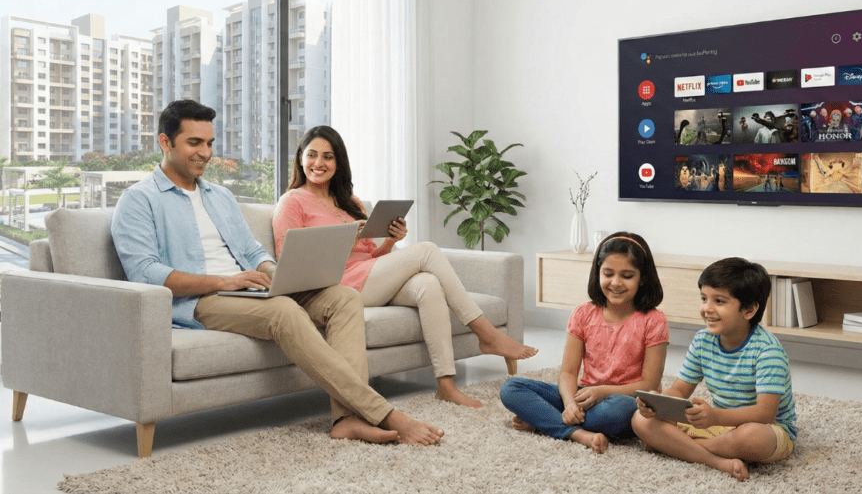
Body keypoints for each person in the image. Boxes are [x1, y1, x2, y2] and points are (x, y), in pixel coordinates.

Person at [111, 100, 443, 446]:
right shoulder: (139, 199)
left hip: (251, 289)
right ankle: (384, 413)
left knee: (343, 297)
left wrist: (275, 273)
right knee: (284, 311)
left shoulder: (220, 196)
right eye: (194, 143)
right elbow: (144, 272)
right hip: (201, 300)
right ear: (165, 142)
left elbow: (253, 251)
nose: (205, 153)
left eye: (209, 143)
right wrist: (227, 281)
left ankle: (346, 419)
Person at [273, 125, 537, 408]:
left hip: (369, 277)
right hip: (339, 288)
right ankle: (487, 334)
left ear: (338, 162)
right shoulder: (292, 201)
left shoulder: (350, 202)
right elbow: (290, 261)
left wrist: (389, 241)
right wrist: (343, 244)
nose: (319, 163)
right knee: (427, 251)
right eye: (312, 155)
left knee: (428, 284)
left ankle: (446, 384)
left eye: (328, 157)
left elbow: (371, 256)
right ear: (300, 158)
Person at [500, 232, 669, 454]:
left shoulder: (654, 320)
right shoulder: (583, 313)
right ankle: (577, 432)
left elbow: (649, 384)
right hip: (585, 397)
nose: (616, 283)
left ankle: (545, 421)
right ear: (597, 273)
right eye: (608, 274)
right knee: (511, 388)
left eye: (627, 276)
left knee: (616, 410)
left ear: (642, 278)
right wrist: (570, 404)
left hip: (627, 401)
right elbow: (568, 372)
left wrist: (602, 392)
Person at [631, 257, 797, 481]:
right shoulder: (702, 341)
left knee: (752, 437)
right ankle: (716, 460)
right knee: (640, 420)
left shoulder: (768, 351)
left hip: (766, 428)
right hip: (719, 427)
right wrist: (657, 404)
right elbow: (680, 390)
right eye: (704, 298)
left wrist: (715, 416)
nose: (706, 309)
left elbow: (765, 413)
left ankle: (685, 447)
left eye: (719, 301)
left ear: (748, 310)